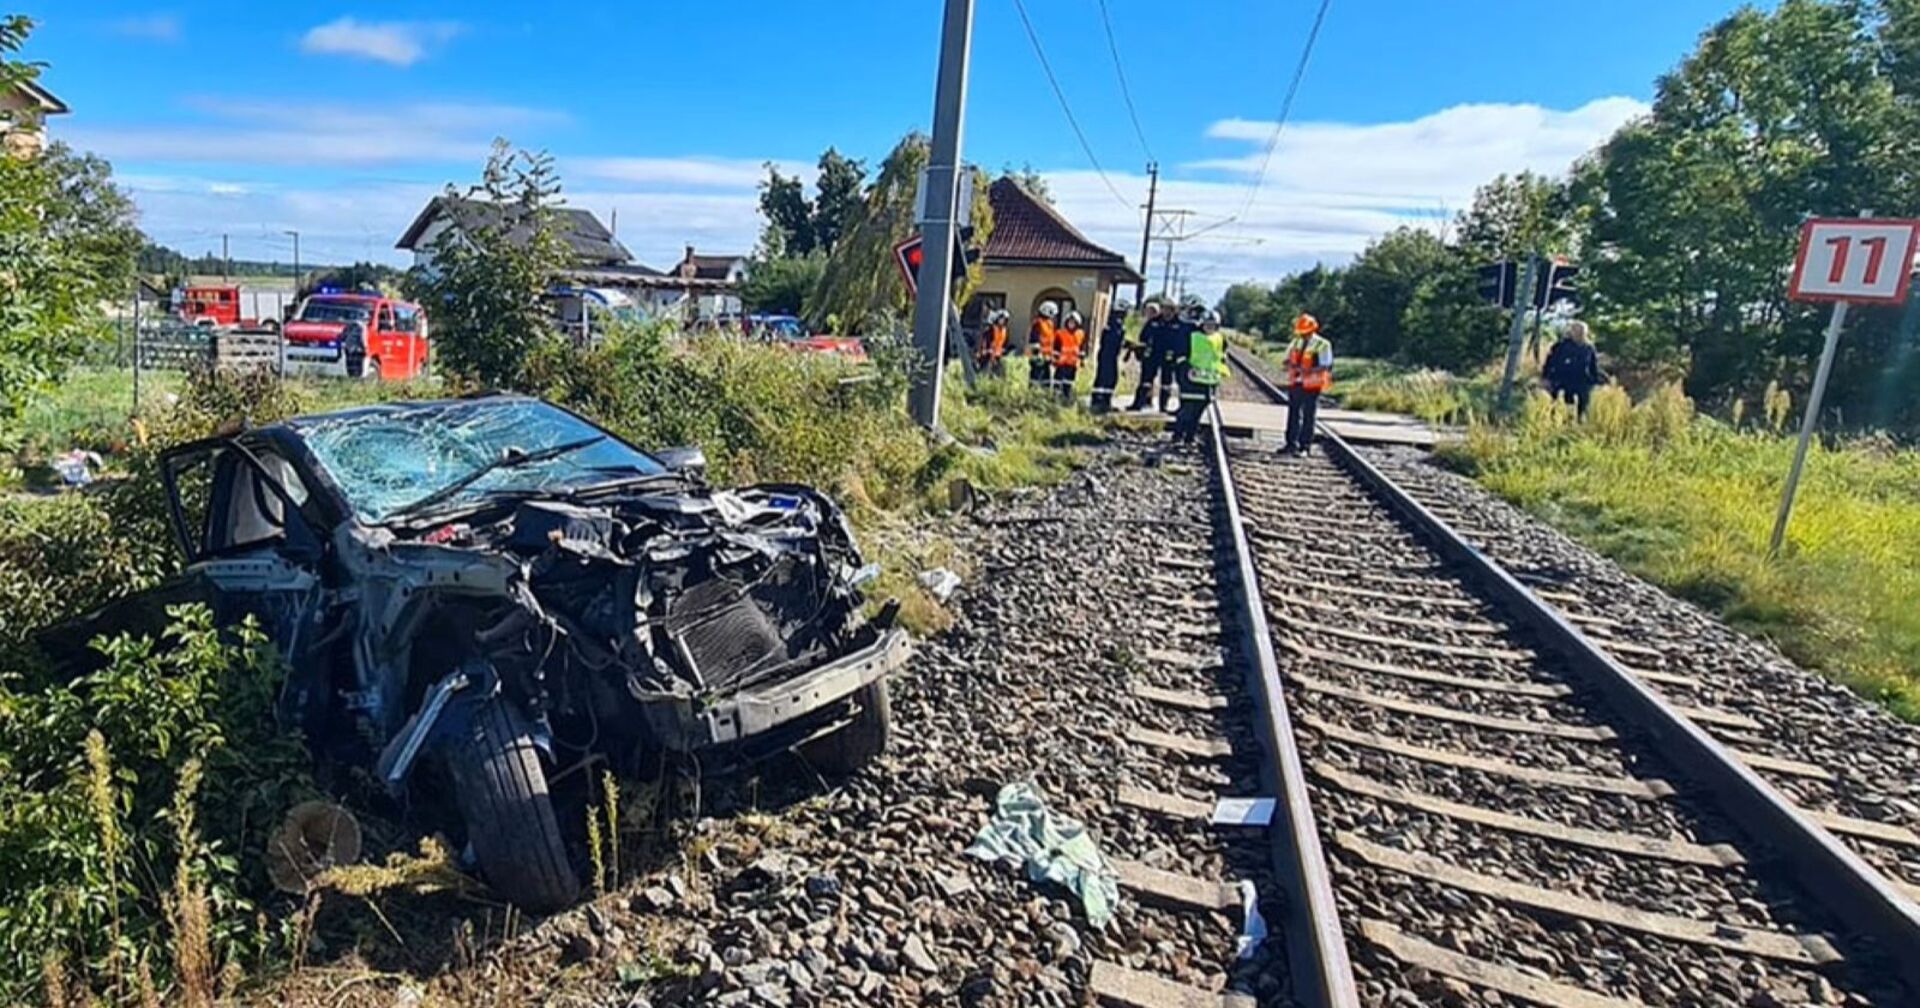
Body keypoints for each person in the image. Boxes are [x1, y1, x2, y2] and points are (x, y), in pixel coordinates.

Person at [1171, 311, 1228, 444]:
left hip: (1209, 381)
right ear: (1201, 324)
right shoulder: (1192, 337)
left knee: (1198, 412)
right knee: (1187, 411)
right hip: (1192, 380)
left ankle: (1190, 437)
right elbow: (1181, 357)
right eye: (1207, 325)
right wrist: (1184, 372)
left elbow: (1221, 355)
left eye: (1213, 325)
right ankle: (1178, 435)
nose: (1210, 328)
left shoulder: (1220, 338)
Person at [1283, 313, 1333, 455]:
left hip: (1312, 385)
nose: (1303, 336)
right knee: (1293, 414)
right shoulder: (1296, 342)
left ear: (1312, 330)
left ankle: (1305, 446)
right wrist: (1289, 365)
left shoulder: (1323, 344)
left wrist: (1307, 371)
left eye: (1305, 333)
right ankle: (1291, 444)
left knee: (1308, 415)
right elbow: (1286, 359)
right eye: (1301, 333)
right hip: (1296, 383)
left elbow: (1326, 365)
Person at [1542, 320, 1604, 417]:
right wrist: (1546, 378)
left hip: (1582, 383)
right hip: (1562, 383)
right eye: (1576, 331)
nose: (1579, 334)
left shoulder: (1588, 348)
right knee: (1560, 411)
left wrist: (1594, 381)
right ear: (1571, 332)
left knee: (1581, 412)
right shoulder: (1561, 346)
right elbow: (1549, 363)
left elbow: (1593, 366)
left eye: (1582, 332)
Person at [1126, 301, 1170, 411]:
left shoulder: (1171, 323)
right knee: (1145, 381)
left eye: (1153, 311)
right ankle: (1139, 404)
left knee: (1166, 383)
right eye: (1148, 311)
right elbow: (1143, 337)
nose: (1150, 313)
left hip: (1166, 357)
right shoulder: (1152, 323)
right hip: (1151, 356)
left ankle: (1163, 407)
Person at [1090, 300, 1130, 412]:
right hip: (1106, 356)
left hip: (1112, 357)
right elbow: (1112, 342)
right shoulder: (1112, 328)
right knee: (1105, 378)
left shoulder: (1118, 328)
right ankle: (1099, 402)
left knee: (1111, 379)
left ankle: (1105, 402)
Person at [1054, 311, 1087, 403]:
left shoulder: (1080, 334)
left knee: (1068, 383)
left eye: (1073, 322)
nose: (1071, 324)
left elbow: (1081, 349)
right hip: (1061, 364)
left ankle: (1066, 398)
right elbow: (1056, 348)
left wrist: (1082, 360)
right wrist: (1055, 360)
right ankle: (1056, 399)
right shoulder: (1060, 333)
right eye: (1070, 322)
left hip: (1072, 365)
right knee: (1057, 383)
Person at [1028, 301, 1059, 388]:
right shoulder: (1038, 323)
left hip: (1047, 357)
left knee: (1046, 381)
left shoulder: (1050, 324)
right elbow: (1034, 339)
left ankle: (1043, 396)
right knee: (1036, 379)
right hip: (1038, 357)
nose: (1054, 316)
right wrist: (1037, 353)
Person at [976, 309, 1010, 377]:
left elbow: (1004, 343)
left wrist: (1003, 350)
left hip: (997, 357)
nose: (1003, 321)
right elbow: (984, 341)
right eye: (1002, 319)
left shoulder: (1005, 331)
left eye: (1005, 320)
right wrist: (985, 350)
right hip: (987, 356)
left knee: (999, 375)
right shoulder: (991, 329)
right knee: (984, 374)